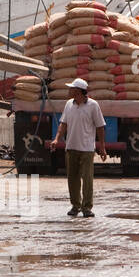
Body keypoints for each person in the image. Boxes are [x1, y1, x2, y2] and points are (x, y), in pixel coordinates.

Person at [54, 77, 107, 217]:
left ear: (78, 91)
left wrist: (102, 147)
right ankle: (75, 206)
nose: (69, 90)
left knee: (87, 179)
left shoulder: (93, 106)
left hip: (87, 149)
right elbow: (63, 123)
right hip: (71, 147)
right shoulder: (68, 105)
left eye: (71, 88)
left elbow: (100, 126)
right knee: (72, 178)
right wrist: (57, 139)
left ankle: (87, 207)